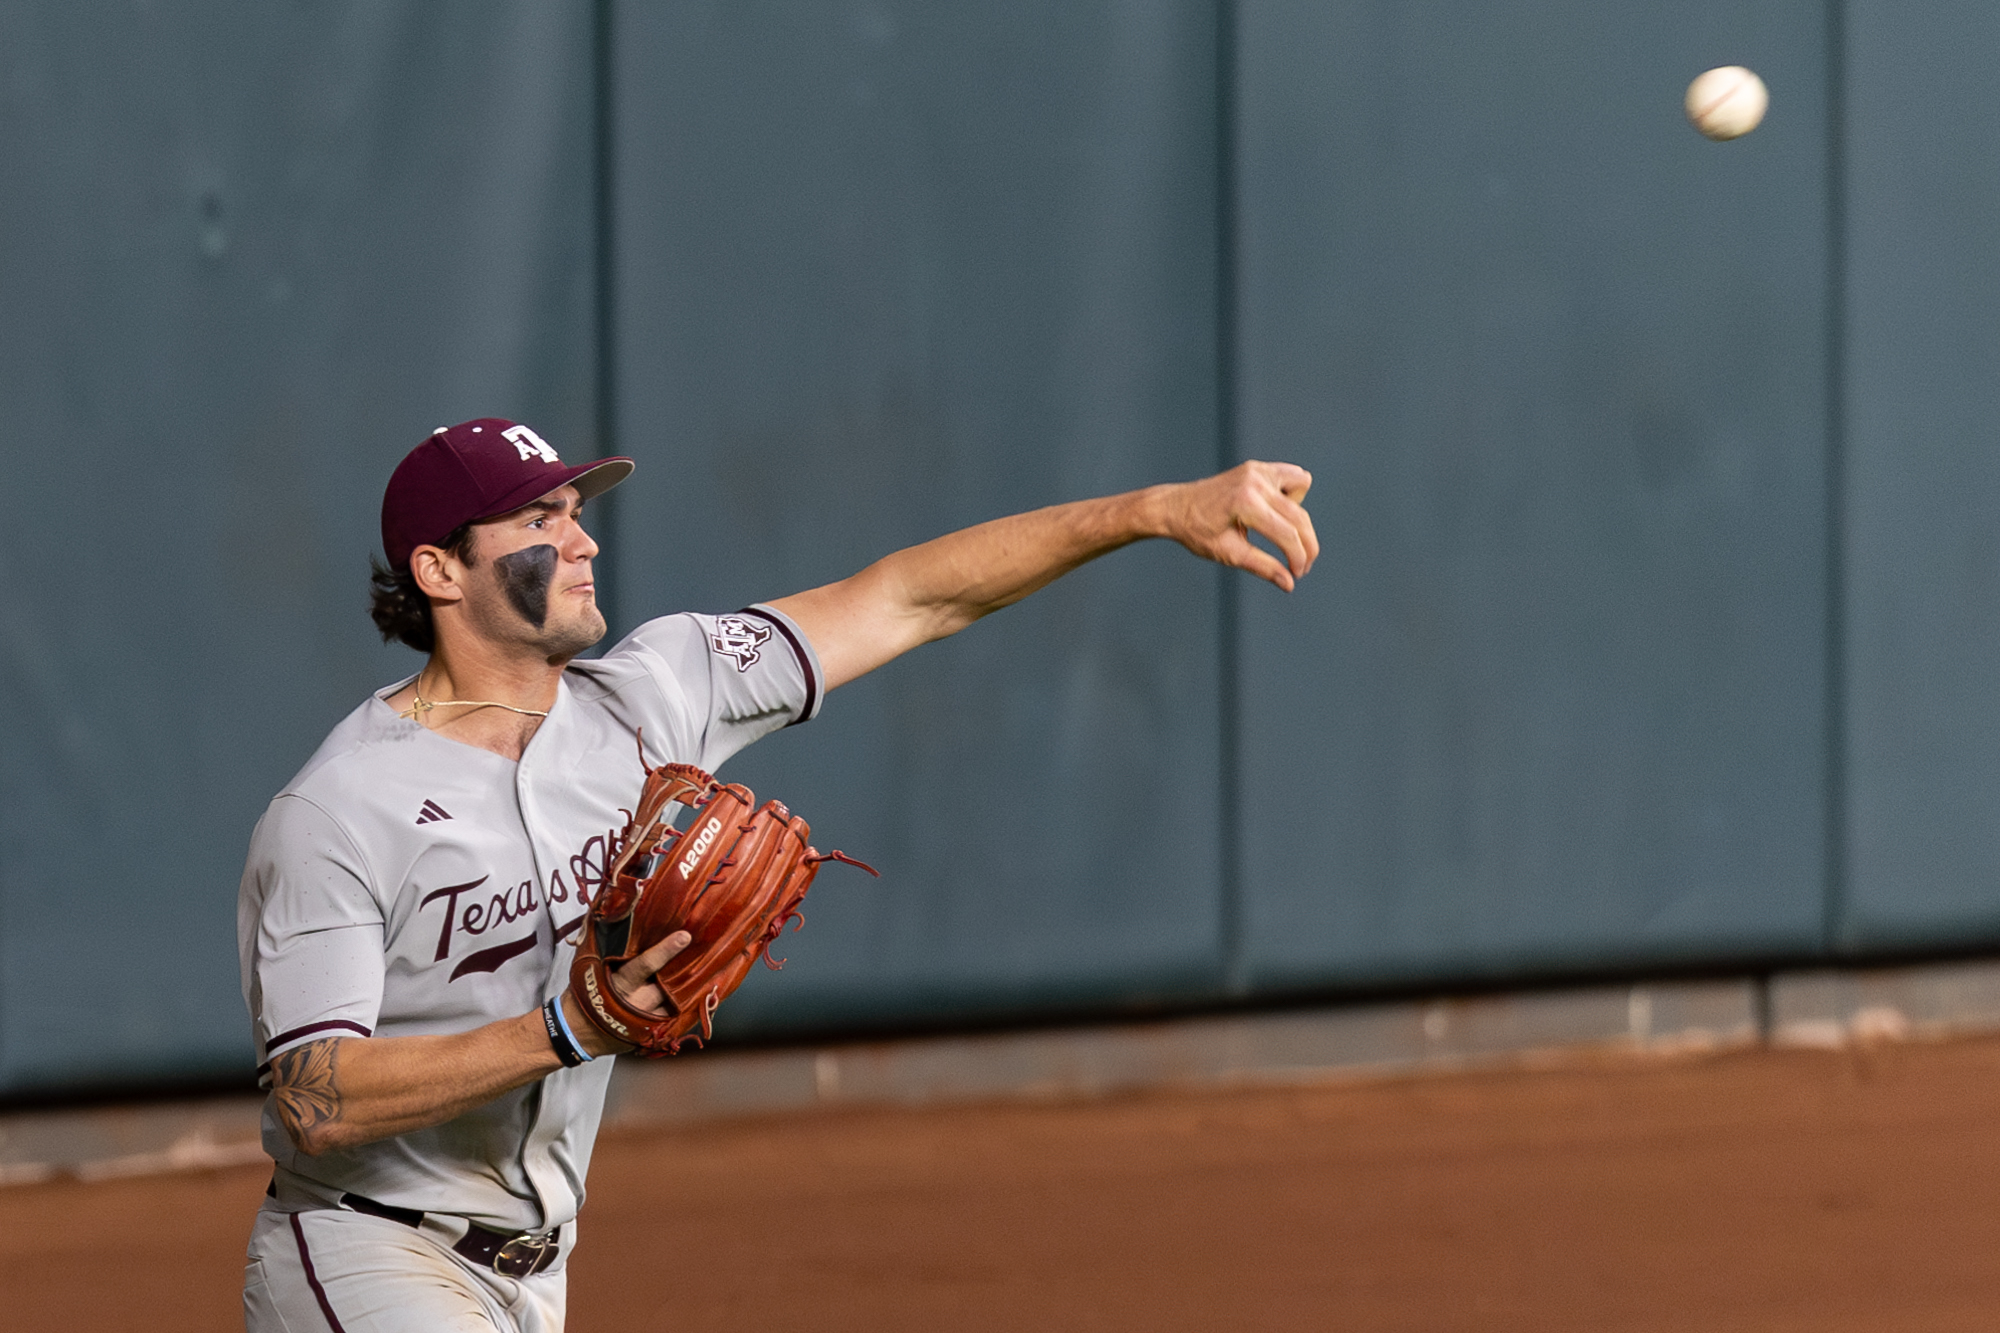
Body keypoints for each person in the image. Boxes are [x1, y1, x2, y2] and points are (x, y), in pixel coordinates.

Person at [239, 417, 1318, 1332]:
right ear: (439, 572)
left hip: (533, 1274)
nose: (582, 542)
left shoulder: (654, 696)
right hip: (363, 1252)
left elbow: (908, 599)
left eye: (575, 511)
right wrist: (565, 1029)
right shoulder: (339, 809)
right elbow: (312, 1098)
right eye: (539, 522)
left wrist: (1151, 510)